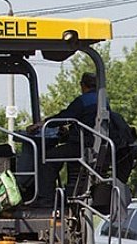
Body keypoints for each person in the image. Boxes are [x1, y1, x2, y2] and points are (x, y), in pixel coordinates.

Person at [31, 72, 106, 206]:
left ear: (83, 85)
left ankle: (46, 199)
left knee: (48, 159)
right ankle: (67, 193)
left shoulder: (84, 100)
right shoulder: (103, 100)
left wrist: (43, 124)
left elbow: (66, 116)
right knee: (59, 155)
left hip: (82, 145)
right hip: (95, 144)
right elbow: (85, 120)